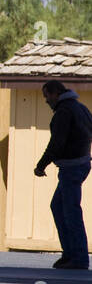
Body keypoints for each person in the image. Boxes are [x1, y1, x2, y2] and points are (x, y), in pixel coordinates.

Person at [35, 80, 92, 270]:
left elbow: (56, 143)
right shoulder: (80, 108)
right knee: (58, 206)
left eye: (46, 96)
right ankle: (70, 254)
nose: (46, 100)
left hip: (71, 168)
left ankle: (79, 258)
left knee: (70, 211)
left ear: (55, 93)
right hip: (81, 164)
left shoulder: (64, 112)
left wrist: (41, 165)